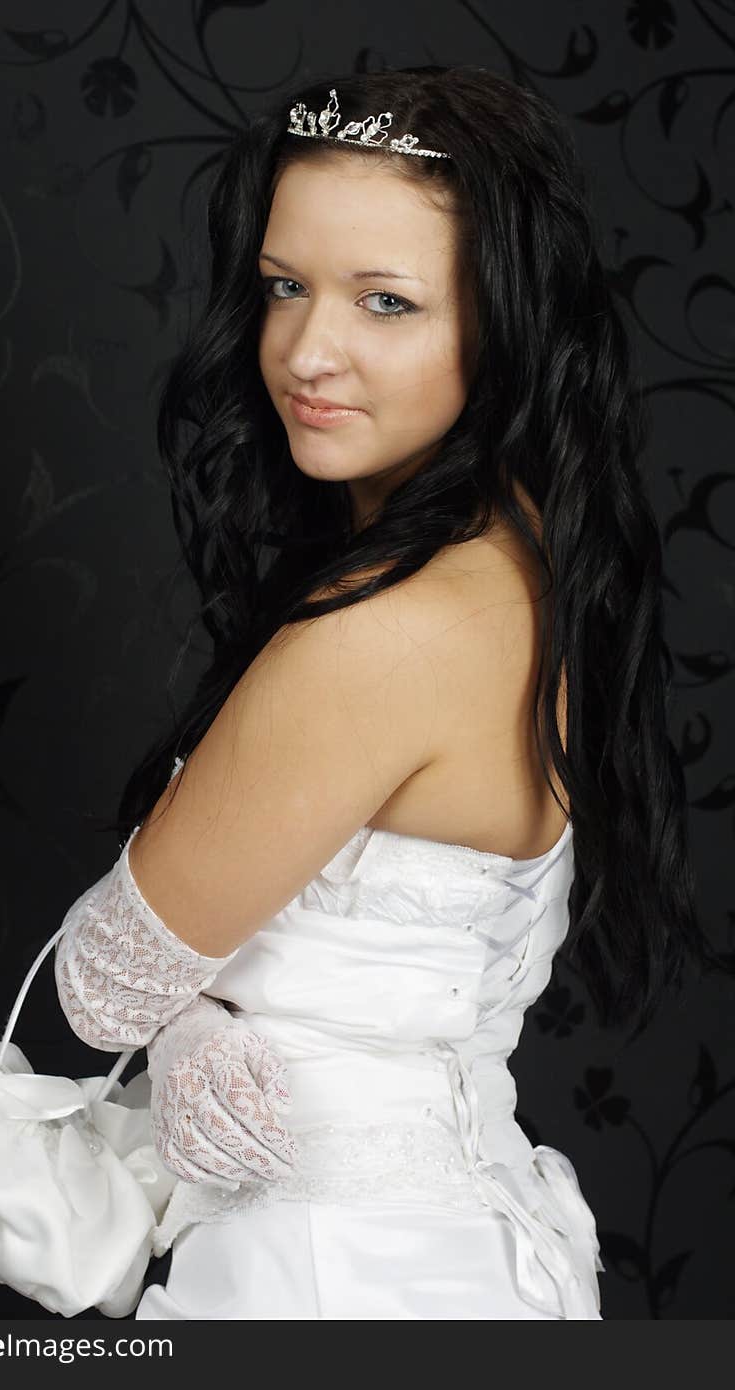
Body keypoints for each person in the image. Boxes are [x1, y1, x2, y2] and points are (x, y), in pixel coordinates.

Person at [54, 65, 726, 1320]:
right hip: (471, 1252)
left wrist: (191, 1017)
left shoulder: (384, 634)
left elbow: (97, 983)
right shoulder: (530, 571)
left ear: (503, 323)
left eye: (386, 301)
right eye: (285, 286)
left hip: (330, 1272)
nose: (308, 350)